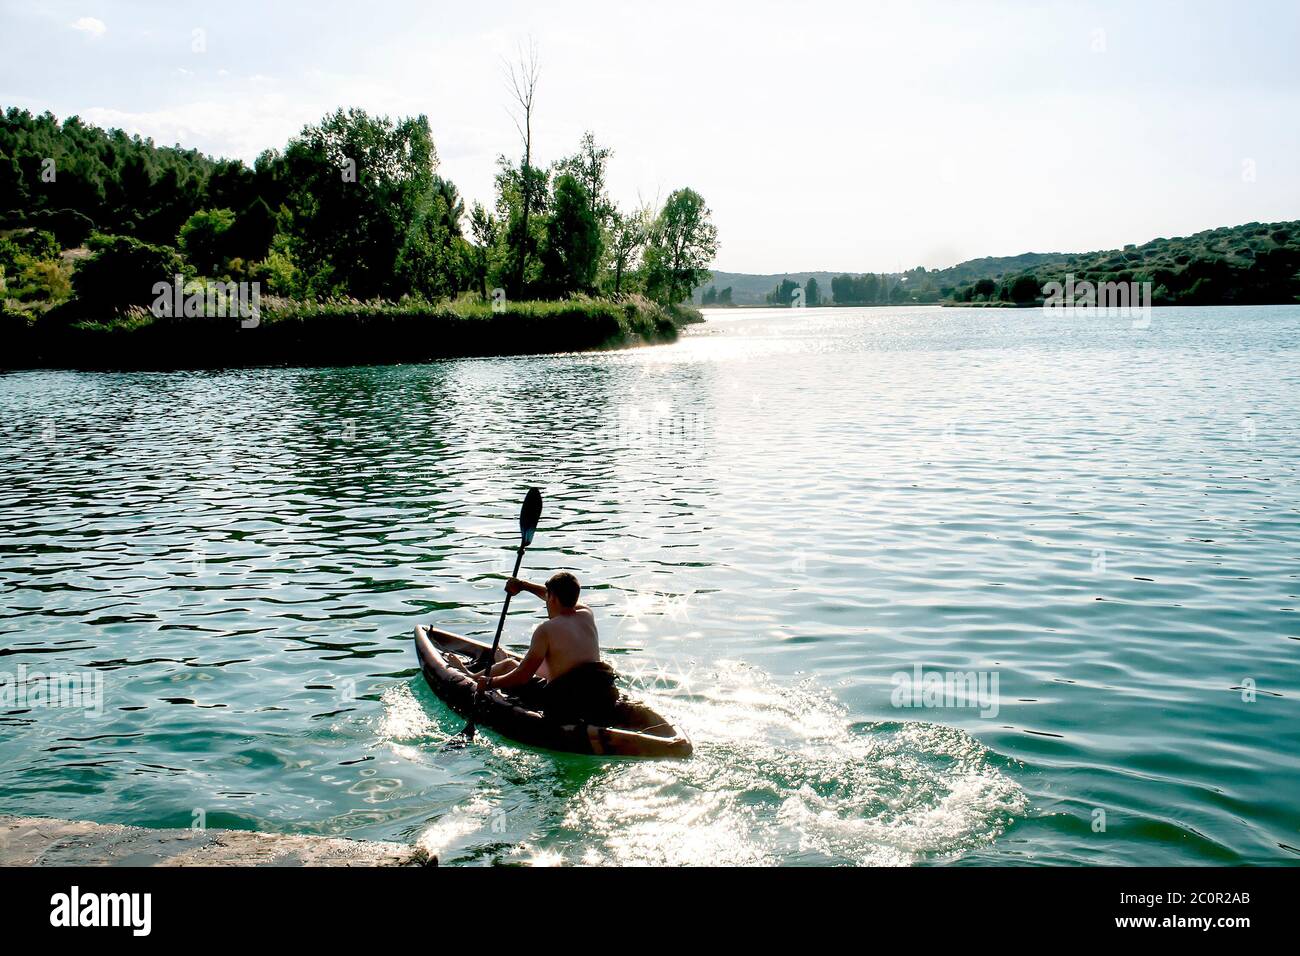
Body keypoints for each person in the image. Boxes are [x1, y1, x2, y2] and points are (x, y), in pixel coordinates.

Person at [474, 571, 619, 725]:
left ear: (553, 598)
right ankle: (500, 664)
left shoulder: (546, 630)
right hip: (599, 694)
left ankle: (470, 676)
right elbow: (554, 595)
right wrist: (522, 585)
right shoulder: (587, 614)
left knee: (511, 669)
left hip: (568, 703)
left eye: (548, 597)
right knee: (509, 665)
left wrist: (490, 683)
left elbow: (523, 676)